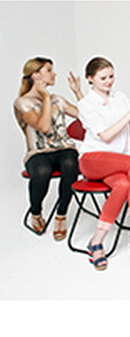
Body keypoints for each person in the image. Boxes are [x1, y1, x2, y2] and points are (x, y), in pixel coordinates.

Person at [76, 57, 130, 271]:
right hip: (92, 160)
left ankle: (96, 241)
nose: (109, 81)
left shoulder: (120, 98)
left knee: (124, 185)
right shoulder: (85, 105)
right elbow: (107, 136)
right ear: (90, 79)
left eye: (111, 76)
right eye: (103, 78)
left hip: (118, 164)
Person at [14, 57, 80, 241]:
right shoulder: (22, 102)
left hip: (63, 149)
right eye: (49, 70)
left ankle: (61, 215)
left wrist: (77, 92)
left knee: (70, 162)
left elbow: (86, 116)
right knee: (42, 170)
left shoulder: (58, 99)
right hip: (38, 152)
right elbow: (44, 127)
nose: (54, 74)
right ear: (36, 75)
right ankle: (36, 212)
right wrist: (45, 98)